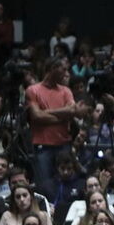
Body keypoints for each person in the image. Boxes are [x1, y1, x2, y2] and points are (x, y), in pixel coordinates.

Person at [25, 56, 90, 184]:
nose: (67, 74)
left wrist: (46, 112)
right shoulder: (33, 90)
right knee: (44, 184)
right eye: (63, 70)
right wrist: (63, 118)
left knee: (67, 183)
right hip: (43, 146)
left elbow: (71, 111)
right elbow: (37, 116)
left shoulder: (66, 91)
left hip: (63, 144)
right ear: (53, 69)